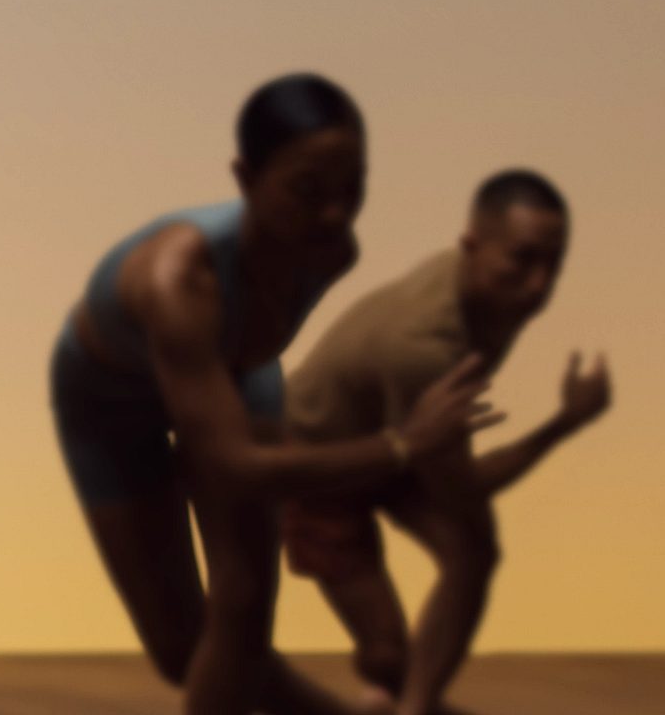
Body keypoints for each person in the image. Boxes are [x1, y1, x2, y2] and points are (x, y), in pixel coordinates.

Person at [50, 73, 501, 715]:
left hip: (237, 375)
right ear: (245, 177)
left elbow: (236, 448)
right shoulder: (178, 280)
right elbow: (236, 464)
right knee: (183, 652)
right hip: (111, 402)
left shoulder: (332, 249)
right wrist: (404, 444)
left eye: (353, 190)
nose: (334, 215)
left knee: (240, 615)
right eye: (308, 191)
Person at [284, 169, 612, 715]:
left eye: (553, 265)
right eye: (523, 259)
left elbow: (438, 468)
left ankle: (415, 705)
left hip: (397, 440)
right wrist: (564, 422)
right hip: (320, 466)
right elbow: (464, 490)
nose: (539, 284)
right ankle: (403, 693)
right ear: (472, 245)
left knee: (473, 549)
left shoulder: (487, 292)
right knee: (387, 657)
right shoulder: (422, 347)